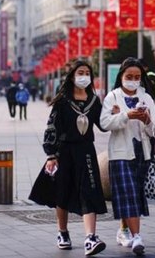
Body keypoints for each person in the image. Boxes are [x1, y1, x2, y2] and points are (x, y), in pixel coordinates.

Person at [43, 61, 108, 255]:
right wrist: (51, 155)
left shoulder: (94, 101)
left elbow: (103, 125)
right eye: (80, 72)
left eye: (88, 73)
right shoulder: (63, 101)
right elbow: (52, 127)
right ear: (72, 76)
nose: (84, 76)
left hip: (86, 151)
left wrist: (115, 114)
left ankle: (91, 238)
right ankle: (62, 232)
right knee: (62, 193)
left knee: (90, 191)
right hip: (64, 151)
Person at [100, 58, 155, 256]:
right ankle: (137, 237)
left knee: (133, 194)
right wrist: (126, 115)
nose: (133, 81)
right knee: (129, 192)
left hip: (142, 151)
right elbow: (105, 122)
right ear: (121, 77)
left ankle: (124, 230)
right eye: (129, 77)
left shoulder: (146, 97)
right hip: (120, 153)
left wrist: (147, 119)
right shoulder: (113, 97)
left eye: (137, 77)